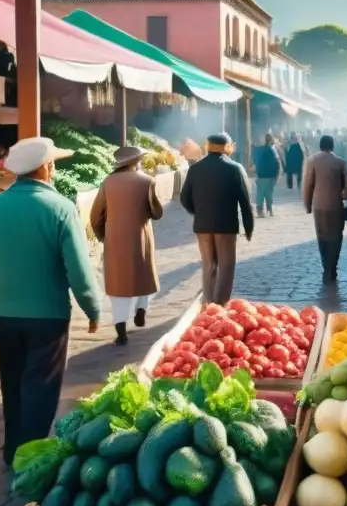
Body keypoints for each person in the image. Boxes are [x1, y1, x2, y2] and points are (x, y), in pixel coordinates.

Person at [0, 138, 101, 466]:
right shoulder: (61, 208)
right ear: (46, 168)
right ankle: (32, 456)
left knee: (12, 380)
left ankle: (12, 450)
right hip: (47, 315)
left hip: (2, 313)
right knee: (40, 385)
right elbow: (78, 270)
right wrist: (92, 308)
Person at [90, 146, 164, 347]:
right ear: (135, 161)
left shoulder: (107, 182)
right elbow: (157, 213)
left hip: (115, 240)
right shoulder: (147, 181)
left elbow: (95, 216)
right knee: (143, 276)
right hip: (141, 237)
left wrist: (104, 236)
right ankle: (141, 309)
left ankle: (121, 331)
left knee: (118, 286)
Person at [181, 132, 254, 304]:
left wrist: (198, 212)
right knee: (226, 266)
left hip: (202, 226)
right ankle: (219, 305)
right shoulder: (235, 168)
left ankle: (208, 301)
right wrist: (249, 227)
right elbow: (245, 202)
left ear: (207, 147)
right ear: (228, 147)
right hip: (226, 226)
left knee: (208, 265)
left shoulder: (195, 168)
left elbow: (184, 199)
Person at [304, 135, 347, 284]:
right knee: (336, 237)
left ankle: (326, 267)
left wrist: (308, 205)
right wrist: (343, 195)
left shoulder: (312, 161)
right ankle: (333, 267)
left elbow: (308, 185)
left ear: (320, 146)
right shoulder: (340, 162)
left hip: (319, 206)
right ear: (332, 146)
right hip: (335, 206)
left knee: (322, 237)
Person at [252, 133, 283, 217]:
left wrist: (256, 171)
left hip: (261, 175)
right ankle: (270, 209)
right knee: (269, 193)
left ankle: (260, 211)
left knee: (260, 193)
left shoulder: (258, 150)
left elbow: (255, 162)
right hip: (271, 175)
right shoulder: (272, 149)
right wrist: (277, 174)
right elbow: (277, 162)